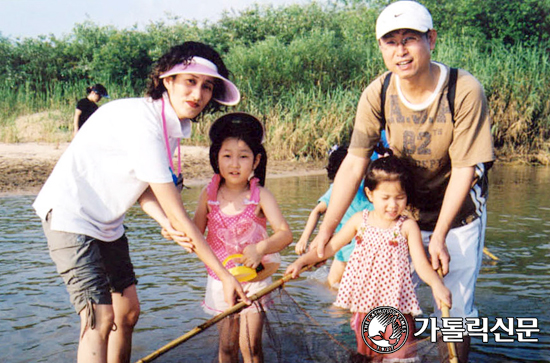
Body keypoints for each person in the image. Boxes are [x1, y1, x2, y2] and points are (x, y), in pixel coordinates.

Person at [33, 41, 251, 363]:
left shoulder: (170, 126)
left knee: (129, 313)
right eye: (190, 81)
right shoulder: (143, 122)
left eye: (207, 86)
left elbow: (144, 185)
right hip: (70, 216)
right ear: (167, 80)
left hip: (107, 221)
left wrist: (164, 222)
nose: (198, 94)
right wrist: (224, 274)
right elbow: (178, 211)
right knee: (100, 318)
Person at [308, 2, 495, 362]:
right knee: (383, 302)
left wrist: (438, 236)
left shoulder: (463, 89)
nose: (400, 50)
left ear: (432, 39)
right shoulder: (377, 93)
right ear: (380, 47)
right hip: (401, 210)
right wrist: (325, 233)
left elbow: (464, 169)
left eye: (409, 39)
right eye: (390, 42)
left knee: (452, 309)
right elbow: (354, 163)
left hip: (459, 212)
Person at [287, 152, 452, 360]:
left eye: (400, 198)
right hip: (365, 305)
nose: (393, 205)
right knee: (368, 356)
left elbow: (420, 264)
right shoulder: (359, 221)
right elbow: (330, 248)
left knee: (401, 355)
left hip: (396, 304)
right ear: (370, 194)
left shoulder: (407, 226)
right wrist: (301, 261)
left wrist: (437, 285)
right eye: (385, 198)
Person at [193, 112, 293, 363]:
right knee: (227, 348)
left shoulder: (261, 195)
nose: (234, 164)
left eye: (243, 156)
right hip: (220, 279)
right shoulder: (209, 195)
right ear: (216, 158)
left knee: (251, 347)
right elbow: (194, 234)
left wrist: (261, 248)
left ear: (256, 160)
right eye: (227, 156)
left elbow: (285, 234)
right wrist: (173, 229)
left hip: (255, 280)